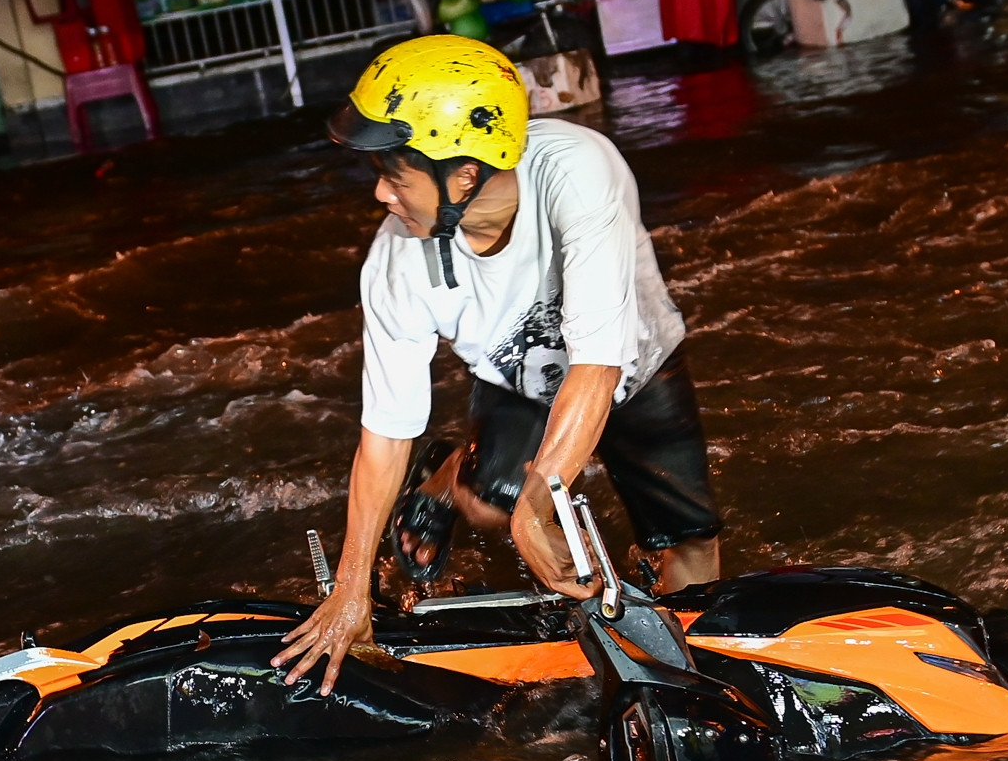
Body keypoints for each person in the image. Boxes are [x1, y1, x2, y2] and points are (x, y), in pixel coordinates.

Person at [271, 35, 722, 692]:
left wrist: (541, 505)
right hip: (517, 379)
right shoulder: (395, 262)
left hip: (633, 362)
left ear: (462, 173)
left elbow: (596, 367)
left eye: (395, 174)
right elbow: (385, 432)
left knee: (690, 547)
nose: (379, 195)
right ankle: (450, 475)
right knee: (492, 502)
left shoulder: (580, 169)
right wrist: (351, 591)